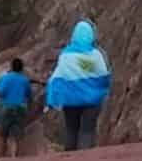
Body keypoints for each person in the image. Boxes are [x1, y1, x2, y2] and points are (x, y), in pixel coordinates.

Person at [44, 19, 111, 150]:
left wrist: (52, 98)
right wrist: (101, 89)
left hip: (70, 100)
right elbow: (103, 76)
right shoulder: (96, 55)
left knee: (71, 131)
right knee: (87, 131)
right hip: (91, 101)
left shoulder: (66, 55)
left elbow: (58, 76)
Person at [0, 56, 35, 156]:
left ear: (11, 67)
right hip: (21, 108)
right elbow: (29, 96)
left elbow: (0, 93)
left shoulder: (5, 78)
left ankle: (1, 156)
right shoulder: (25, 80)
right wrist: (29, 109)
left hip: (7, 108)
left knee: (2, 134)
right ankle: (17, 156)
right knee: (18, 135)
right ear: (22, 68)